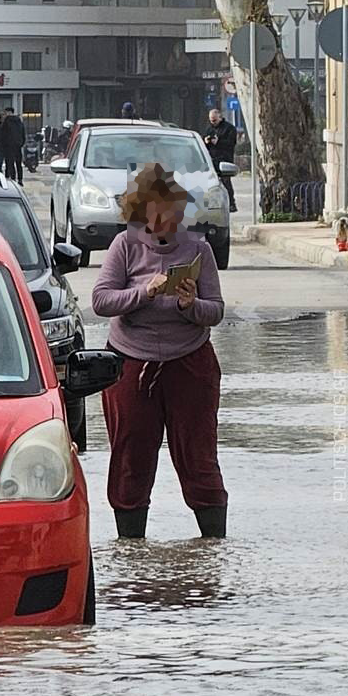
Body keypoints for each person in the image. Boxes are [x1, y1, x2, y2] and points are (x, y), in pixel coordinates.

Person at [91, 163, 228, 540]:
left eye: (174, 213)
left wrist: (190, 305)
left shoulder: (198, 247)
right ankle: (131, 549)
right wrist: (144, 292)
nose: (168, 222)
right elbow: (101, 301)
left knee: (198, 455)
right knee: (131, 456)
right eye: (158, 215)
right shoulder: (124, 246)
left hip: (189, 361)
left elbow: (215, 310)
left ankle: (213, 546)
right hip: (131, 362)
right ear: (141, 214)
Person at [202, 109, 239, 212]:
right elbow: (204, 141)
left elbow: (231, 143)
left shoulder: (229, 128)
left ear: (220, 117)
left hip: (224, 158)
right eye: (211, 120)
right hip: (212, 159)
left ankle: (231, 203)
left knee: (226, 181)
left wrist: (218, 142)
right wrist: (206, 141)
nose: (212, 122)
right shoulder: (209, 128)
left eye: (214, 120)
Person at [0, 107, 27, 182]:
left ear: (8, 112)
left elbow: (2, 135)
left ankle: (13, 178)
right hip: (18, 146)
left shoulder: (6, 122)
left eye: (5, 113)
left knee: (10, 163)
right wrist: (21, 143)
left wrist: (3, 145)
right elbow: (23, 134)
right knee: (18, 164)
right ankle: (20, 180)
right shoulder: (19, 121)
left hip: (9, 146)